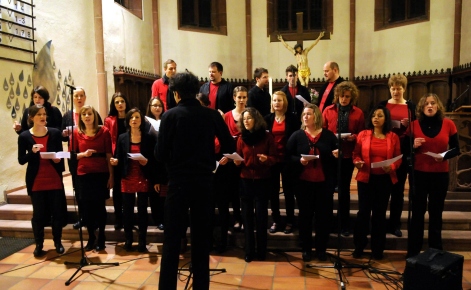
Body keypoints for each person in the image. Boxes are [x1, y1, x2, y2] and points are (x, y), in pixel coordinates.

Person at [155, 71, 234, 290]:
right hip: (204, 183)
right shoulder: (211, 115)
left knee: (172, 241)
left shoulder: (170, 116)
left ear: (176, 93)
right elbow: (229, 146)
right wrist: (210, 158)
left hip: (178, 184)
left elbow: (160, 154)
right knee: (201, 241)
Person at [406, 94, 460, 258]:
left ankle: (435, 252)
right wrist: (413, 146)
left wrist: (444, 155)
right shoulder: (413, 125)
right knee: (417, 214)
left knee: (436, 214)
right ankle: (414, 251)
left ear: (438, 106)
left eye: (433, 103)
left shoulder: (449, 124)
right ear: (421, 108)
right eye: (426, 104)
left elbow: (456, 149)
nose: (430, 106)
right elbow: (405, 152)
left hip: (439, 175)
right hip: (419, 175)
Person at [286, 104, 337, 262]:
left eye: (308, 114)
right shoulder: (297, 135)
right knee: (305, 217)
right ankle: (306, 248)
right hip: (304, 184)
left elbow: (335, 157)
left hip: (324, 184)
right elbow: (287, 157)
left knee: (323, 218)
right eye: (304, 114)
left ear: (316, 116)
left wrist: (336, 155)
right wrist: (299, 160)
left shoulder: (328, 136)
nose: (305, 117)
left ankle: (321, 249)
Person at [352, 105, 401, 260]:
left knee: (379, 215)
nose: (376, 118)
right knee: (363, 213)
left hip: (384, 179)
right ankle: (359, 246)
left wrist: (392, 166)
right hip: (366, 178)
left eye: (380, 115)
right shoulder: (363, 134)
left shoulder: (393, 136)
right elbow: (356, 154)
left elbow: (398, 157)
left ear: (386, 118)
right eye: (373, 115)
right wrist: (357, 162)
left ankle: (377, 249)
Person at [18, 105, 67, 257]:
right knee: (38, 215)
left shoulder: (54, 133)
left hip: (53, 178)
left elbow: (59, 153)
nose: (43, 116)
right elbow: (21, 160)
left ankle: (58, 242)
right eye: (39, 114)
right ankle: (39, 244)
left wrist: (58, 160)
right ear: (31, 117)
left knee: (57, 213)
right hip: (37, 180)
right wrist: (32, 153)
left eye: (44, 114)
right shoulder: (24, 136)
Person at [110, 108, 160, 252]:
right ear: (128, 120)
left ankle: (142, 241)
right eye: (131, 118)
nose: (134, 120)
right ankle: (128, 239)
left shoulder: (149, 138)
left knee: (143, 211)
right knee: (128, 211)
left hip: (143, 177)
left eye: (137, 117)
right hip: (127, 177)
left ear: (141, 120)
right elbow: (118, 156)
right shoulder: (122, 137)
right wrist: (115, 161)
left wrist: (147, 162)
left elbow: (154, 160)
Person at [234, 107, 276, 262]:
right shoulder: (241, 138)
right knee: (247, 218)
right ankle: (249, 250)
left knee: (261, 217)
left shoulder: (266, 137)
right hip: (245, 180)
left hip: (262, 180)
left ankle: (262, 250)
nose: (246, 121)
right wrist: (237, 162)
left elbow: (274, 157)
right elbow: (238, 159)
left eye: (249, 118)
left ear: (256, 120)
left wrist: (267, 159)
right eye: (244, 119)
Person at [323, 81, 365, 236]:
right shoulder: (328, 110)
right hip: (331, 155)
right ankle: (327, 223)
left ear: (352, 97)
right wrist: (331, 139)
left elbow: (362, 134)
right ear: (337, 96)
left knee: (344, 191)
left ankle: (344, 224)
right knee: (327, 190)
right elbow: (323, 132)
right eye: (342, 96)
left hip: (348, 155)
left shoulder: (358, 112)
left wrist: (353, 137)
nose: (344, 99)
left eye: (347, 96)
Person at [378, 74, 415, 238]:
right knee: (382, 190)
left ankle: (395, 224)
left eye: (398, 88)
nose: (395, 91)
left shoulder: (410, 106)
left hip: (403, 152)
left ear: (404, 89)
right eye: (393, 88)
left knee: (398, 192)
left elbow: (417, 128)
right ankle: (380, 223)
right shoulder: (383, 105)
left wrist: (410, 125)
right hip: (384, 151)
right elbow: (376, 124)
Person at [71, 105, 113, 251]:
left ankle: (101, 236)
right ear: (81, 118)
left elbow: (109, 155)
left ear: (94, 115)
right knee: (87, 209)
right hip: (83, 174)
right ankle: (91, 237)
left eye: (89, 114)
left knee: (100, 207)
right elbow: (72, 155)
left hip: (101, 174)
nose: (87, 116)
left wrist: (111, 176)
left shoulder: (104, 131)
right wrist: (84, 155)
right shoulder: (76, 133)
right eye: (84, 115)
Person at [61, 86, 103, 230]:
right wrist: (65, 134)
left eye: (81, 96)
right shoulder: (67, 116)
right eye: (76, 96)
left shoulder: (92, 112)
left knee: (94, 192)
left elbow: (100, 130)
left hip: (92, 158)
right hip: (75, 156)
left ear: (85, 97)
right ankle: (83, 218)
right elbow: (61, 136)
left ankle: (96, 218)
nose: (79, 98)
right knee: (79, 189)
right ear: (72, 98)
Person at [212, 86, 247, 252]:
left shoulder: (249, 114)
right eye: (239, 97)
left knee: (239, 191)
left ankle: (239, 218)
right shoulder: (226, 116)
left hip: (242, 157)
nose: (241, 100)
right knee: (229, 191)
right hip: (227, 159)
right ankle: (231, 221)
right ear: (234, 98)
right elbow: (222, 136)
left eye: (244, 97)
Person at [264, 91, 300, 235]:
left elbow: (296, 139)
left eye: (279, 100)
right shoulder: (267, 119)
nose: (276, 103)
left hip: (287, 159)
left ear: (284, 102)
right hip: (273, 159)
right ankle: (276, 220)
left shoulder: (292, 119)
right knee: (273, 192)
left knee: (289, 191)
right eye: (274, 100)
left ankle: (290, 220)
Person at [104, 92, 130, 230]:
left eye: (122, 101)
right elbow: (108, 140)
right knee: (118, 190)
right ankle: (119, 218)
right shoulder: (109, 120)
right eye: (117, 102)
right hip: (116, 155)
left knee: (129, 190)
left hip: (130, 156)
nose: (120, 104)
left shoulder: (131, 117)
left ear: (126, 103)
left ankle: (128, 218)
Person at [145, 97, 166, 230]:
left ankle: (164, 218)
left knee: (163, 192)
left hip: (163, 159)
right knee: (154, 191)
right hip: (151, 157)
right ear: (150, 107)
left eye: (159, 105)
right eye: (154, 105)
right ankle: (157, 218)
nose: (157, 108)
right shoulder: (146, 122)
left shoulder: (166, 119)